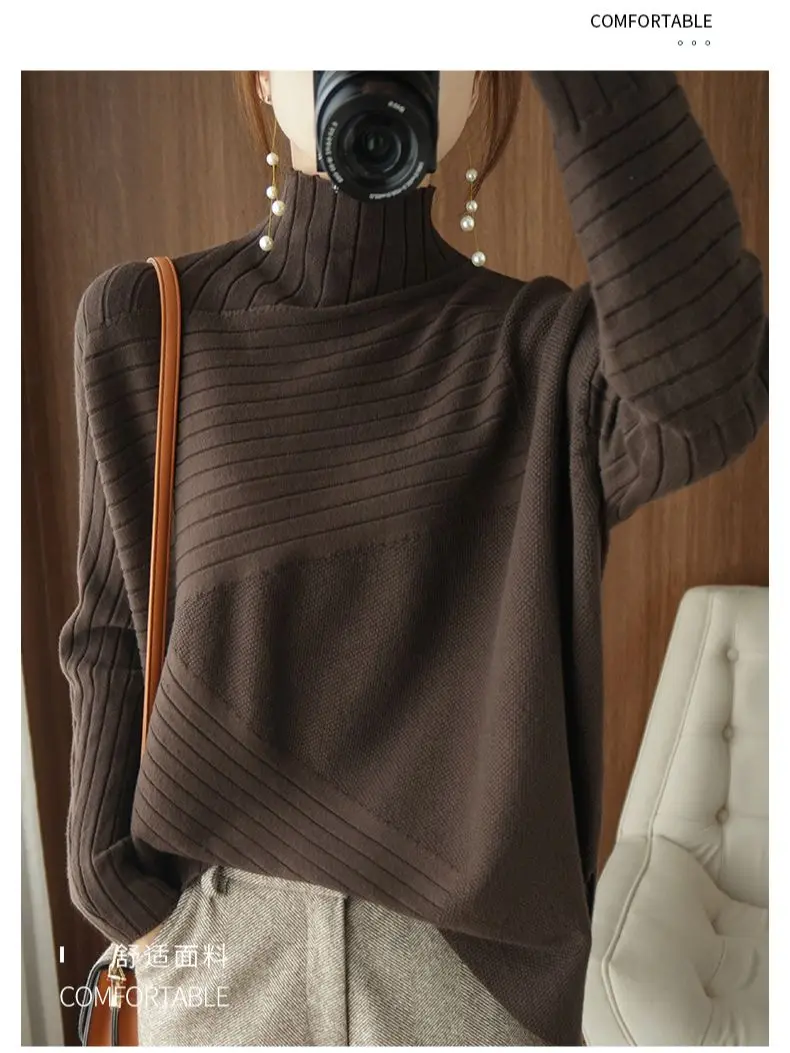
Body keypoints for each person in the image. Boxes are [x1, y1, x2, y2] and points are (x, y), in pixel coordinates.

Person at [59, 70, 768, 1046]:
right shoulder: (146, 319)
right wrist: (114, 886)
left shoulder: (544, 356)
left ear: (480, 78)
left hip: (470, 982)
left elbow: (710, 390)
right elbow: (109, 631)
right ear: (261, 69)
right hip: (219, 952)